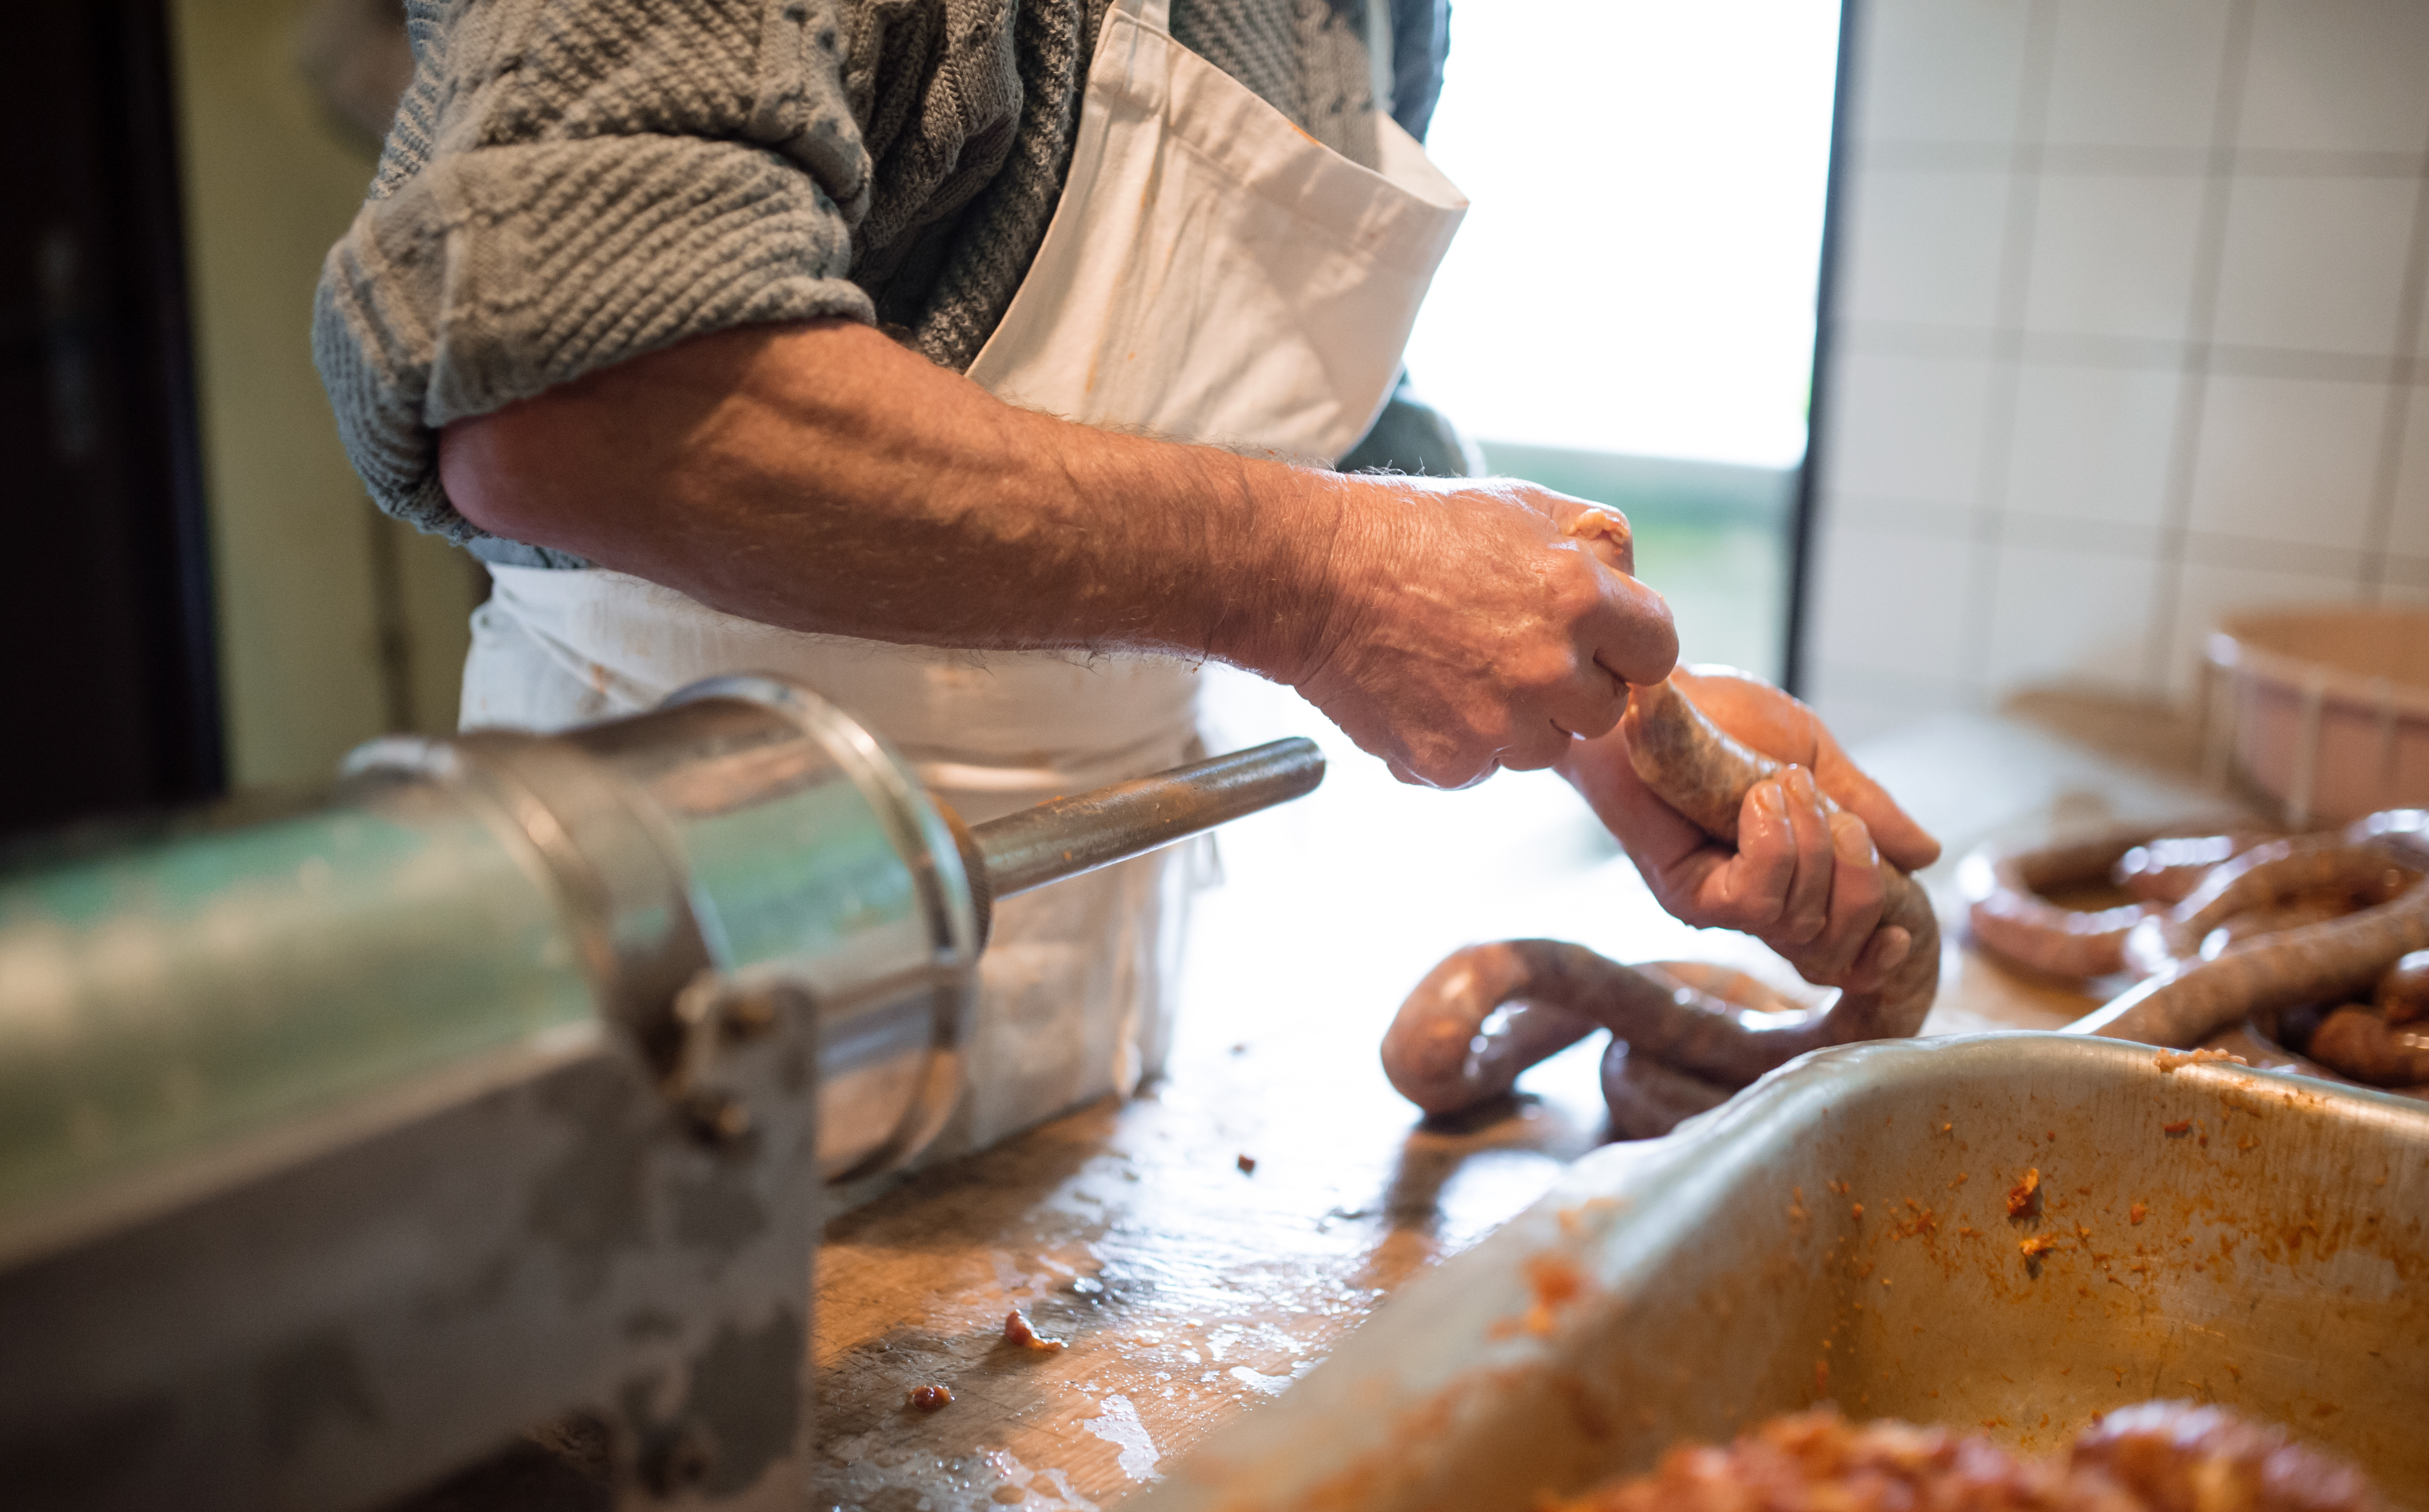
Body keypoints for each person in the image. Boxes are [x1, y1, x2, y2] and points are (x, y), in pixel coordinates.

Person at [315, 0, 1935, 1154]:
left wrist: (1607, 707)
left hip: (1089, 1012)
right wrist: (1314, 580)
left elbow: (1283, 415)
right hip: (679, 974)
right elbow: (571, 398)